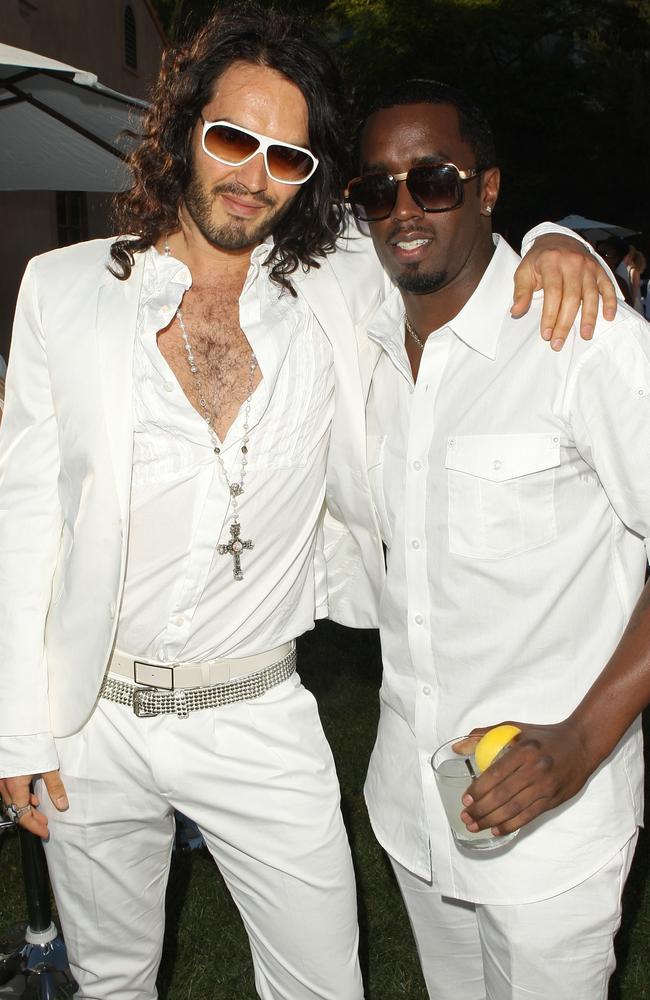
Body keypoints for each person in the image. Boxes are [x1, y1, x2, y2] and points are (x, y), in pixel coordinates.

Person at [0, 7, 616, 999]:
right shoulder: (60, 291)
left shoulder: (333, 288)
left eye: (286, 156)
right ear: (185, 131)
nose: (252, 174)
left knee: (323, 982)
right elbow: (23, 516)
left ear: (308, 176)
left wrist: (551, 241)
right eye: (233, 138)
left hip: (256, 714)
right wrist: (18, 727)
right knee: (111, 979)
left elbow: (450, 249)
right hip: (93, 717)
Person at [353, 78, 650, 1000]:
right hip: (414, 799)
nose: (404, 208)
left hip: (553, 819)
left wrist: (583, 738)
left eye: (433, 180)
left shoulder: (580, 338)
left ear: (485, 190)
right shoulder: (359, 334)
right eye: (376, 189)